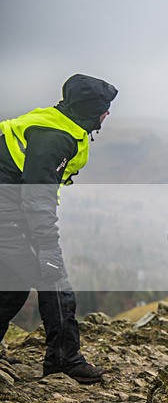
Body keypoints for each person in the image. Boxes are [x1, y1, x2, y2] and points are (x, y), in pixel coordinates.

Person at [0, 74, 118, 383]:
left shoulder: (63, 122)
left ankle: (61, 357)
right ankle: (64, 360)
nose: (108, 114)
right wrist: (48, 248)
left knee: (14, 281)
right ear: (93, 110)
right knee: (53, 278)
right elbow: (37, 199)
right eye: (105, 108)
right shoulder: (54, 136)